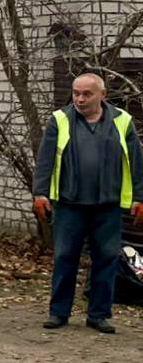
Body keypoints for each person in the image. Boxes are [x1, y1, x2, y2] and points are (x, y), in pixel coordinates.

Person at [32, 72, 143, 334]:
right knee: (65, 257)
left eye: (86, 94)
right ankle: (59, 312)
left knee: (106, 258)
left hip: (108, 205)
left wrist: (140, 197)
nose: (80, 99)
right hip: (70, 203)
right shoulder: (60, 120)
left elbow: (136, 162)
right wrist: (40, 193)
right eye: (76, 93)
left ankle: (99, 315)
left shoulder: (122, 121)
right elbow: (45, 159)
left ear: (102, 95)